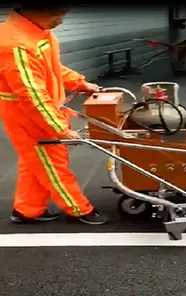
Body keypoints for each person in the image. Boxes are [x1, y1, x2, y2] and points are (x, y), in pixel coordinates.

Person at [0, 4, 109, 225]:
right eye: (55, 14)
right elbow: (32, 96)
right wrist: (60, 128)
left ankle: (27, 210)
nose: (60, 21)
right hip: (28, 115)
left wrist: (80, 83)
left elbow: (52, 68)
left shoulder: (36, 33)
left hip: (44, 109)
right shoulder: (16, 46)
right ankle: (79, 209)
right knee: (53, 163)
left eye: (62, 14)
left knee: (36, 161)